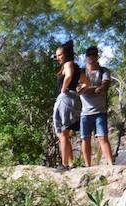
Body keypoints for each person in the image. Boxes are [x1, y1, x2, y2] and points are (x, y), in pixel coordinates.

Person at [78, 46, 114, 165]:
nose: (91, 57)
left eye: (94, 55)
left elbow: (105, 86)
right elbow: (79, 89)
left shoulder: (104, 71)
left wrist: (89, 88)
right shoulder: (81, 72)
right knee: (85, 139)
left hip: (100, 111)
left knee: (103, 138)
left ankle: (110, 164)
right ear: (86, 56)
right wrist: (95, 88)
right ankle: (87, 166)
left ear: (97, 56)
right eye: (89, 55)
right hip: (85, 112)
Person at [53, 41, 82, 169]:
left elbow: (69, 76)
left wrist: (64, 89)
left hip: (65, 98)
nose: (58, 58)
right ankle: (70, 163)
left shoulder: (68, 64)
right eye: (57, 56)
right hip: (70, 98)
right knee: (64, 132)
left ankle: (64, 164)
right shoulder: (76, 66)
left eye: (60, 55)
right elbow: (86, 82)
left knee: (62, 133)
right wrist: (79, 91)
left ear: (66, 55)